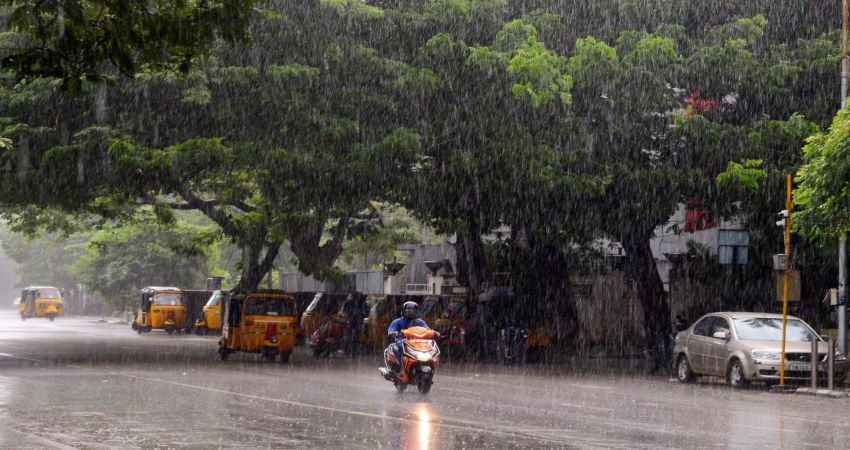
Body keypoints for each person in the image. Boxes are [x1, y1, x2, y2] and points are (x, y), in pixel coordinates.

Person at [387, 301, 436, 375]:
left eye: (413, 311)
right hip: (402, 341)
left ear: (417, 312)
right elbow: (391, 330)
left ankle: (426, 362)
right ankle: (399, 366)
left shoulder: (420, 322)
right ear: (403, 311)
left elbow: (427, 329)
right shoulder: (398, 321)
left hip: (417, 341)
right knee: (400, 346)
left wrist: (434, 333)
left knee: (430, 347)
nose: (411, 313)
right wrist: (393, 332)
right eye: (408, 311)